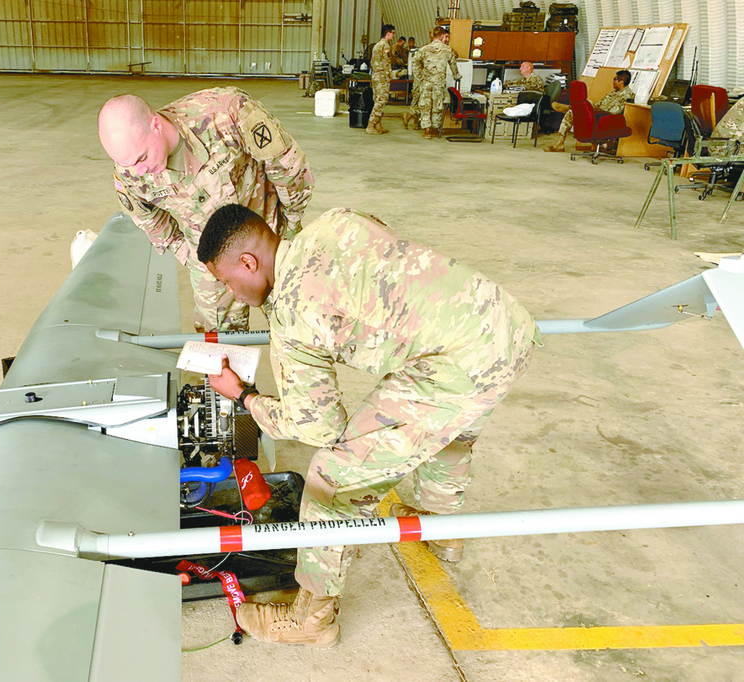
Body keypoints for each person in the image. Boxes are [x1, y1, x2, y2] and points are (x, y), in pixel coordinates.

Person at [198, 205, 540, 647]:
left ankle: (312, 618)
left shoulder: (292, 312)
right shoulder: (332, 221)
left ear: (249, 262)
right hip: (500, 325)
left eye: (227, 281)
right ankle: (441, 531)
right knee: (449, 432)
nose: (229, 293)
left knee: (331, 477)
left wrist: (244, 395)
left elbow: (317, 424)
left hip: (453, 363)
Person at [98, 89, 314, 331]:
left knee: (296, 326)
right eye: (126, 164)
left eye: (141, 158)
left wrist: (291, 228)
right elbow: (148, 219)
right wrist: (190, 257)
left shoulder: (224, 114)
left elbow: (288, 167)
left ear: (155, 125)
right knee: (218, 343)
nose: (140, 171)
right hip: (210, 263)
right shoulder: (129, 171)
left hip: (267, 238)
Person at [545, 70, 634, 152]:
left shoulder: (627, 95)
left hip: (604, 118)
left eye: (615, 79)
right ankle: (560, 141)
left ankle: (572, 108)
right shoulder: (614, 92)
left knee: (577, 110)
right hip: (598, 112)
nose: (613, 81)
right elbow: (599, 104)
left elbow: (614, 112)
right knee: (582, 104)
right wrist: (590, 107)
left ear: (621, 82)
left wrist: (591, 110)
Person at [409, 27, 461, 138]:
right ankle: (434, 128)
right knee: (437, 105)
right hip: (439, 83)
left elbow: (415, 62)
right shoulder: (448, 50)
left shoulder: (424, 49)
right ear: (442, 36)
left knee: (425, 105)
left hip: (426, 82)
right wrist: (457, 76)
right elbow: (453, 66)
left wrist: (419, 77)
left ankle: (426, 130)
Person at [367, 24, 396, 135]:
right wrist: (387, 74)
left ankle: (378, 124)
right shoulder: (383, 45)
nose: (393, 35)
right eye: (392, 33)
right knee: (380, 101)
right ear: (388, 33)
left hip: (380, 76)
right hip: (381, 77)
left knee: (379, 100)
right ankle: (371, 125)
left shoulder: (381, 45)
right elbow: (379, 62)